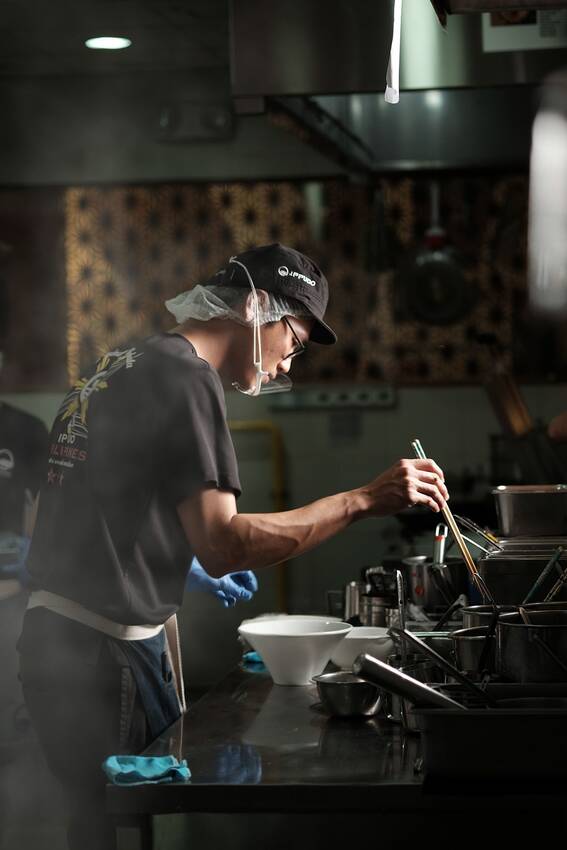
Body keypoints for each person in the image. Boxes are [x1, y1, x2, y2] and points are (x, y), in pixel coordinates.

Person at [17, 242, 448, 850]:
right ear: (255, 306)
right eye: (292, 343)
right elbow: (225, 543)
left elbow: (104, 503)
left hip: (59, 642)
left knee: (96, 827)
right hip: (98, 658)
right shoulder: (189, 376)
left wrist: (177, 556)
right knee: (114, 830)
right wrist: (362, 499)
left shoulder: (129, 358)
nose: (286, 367)